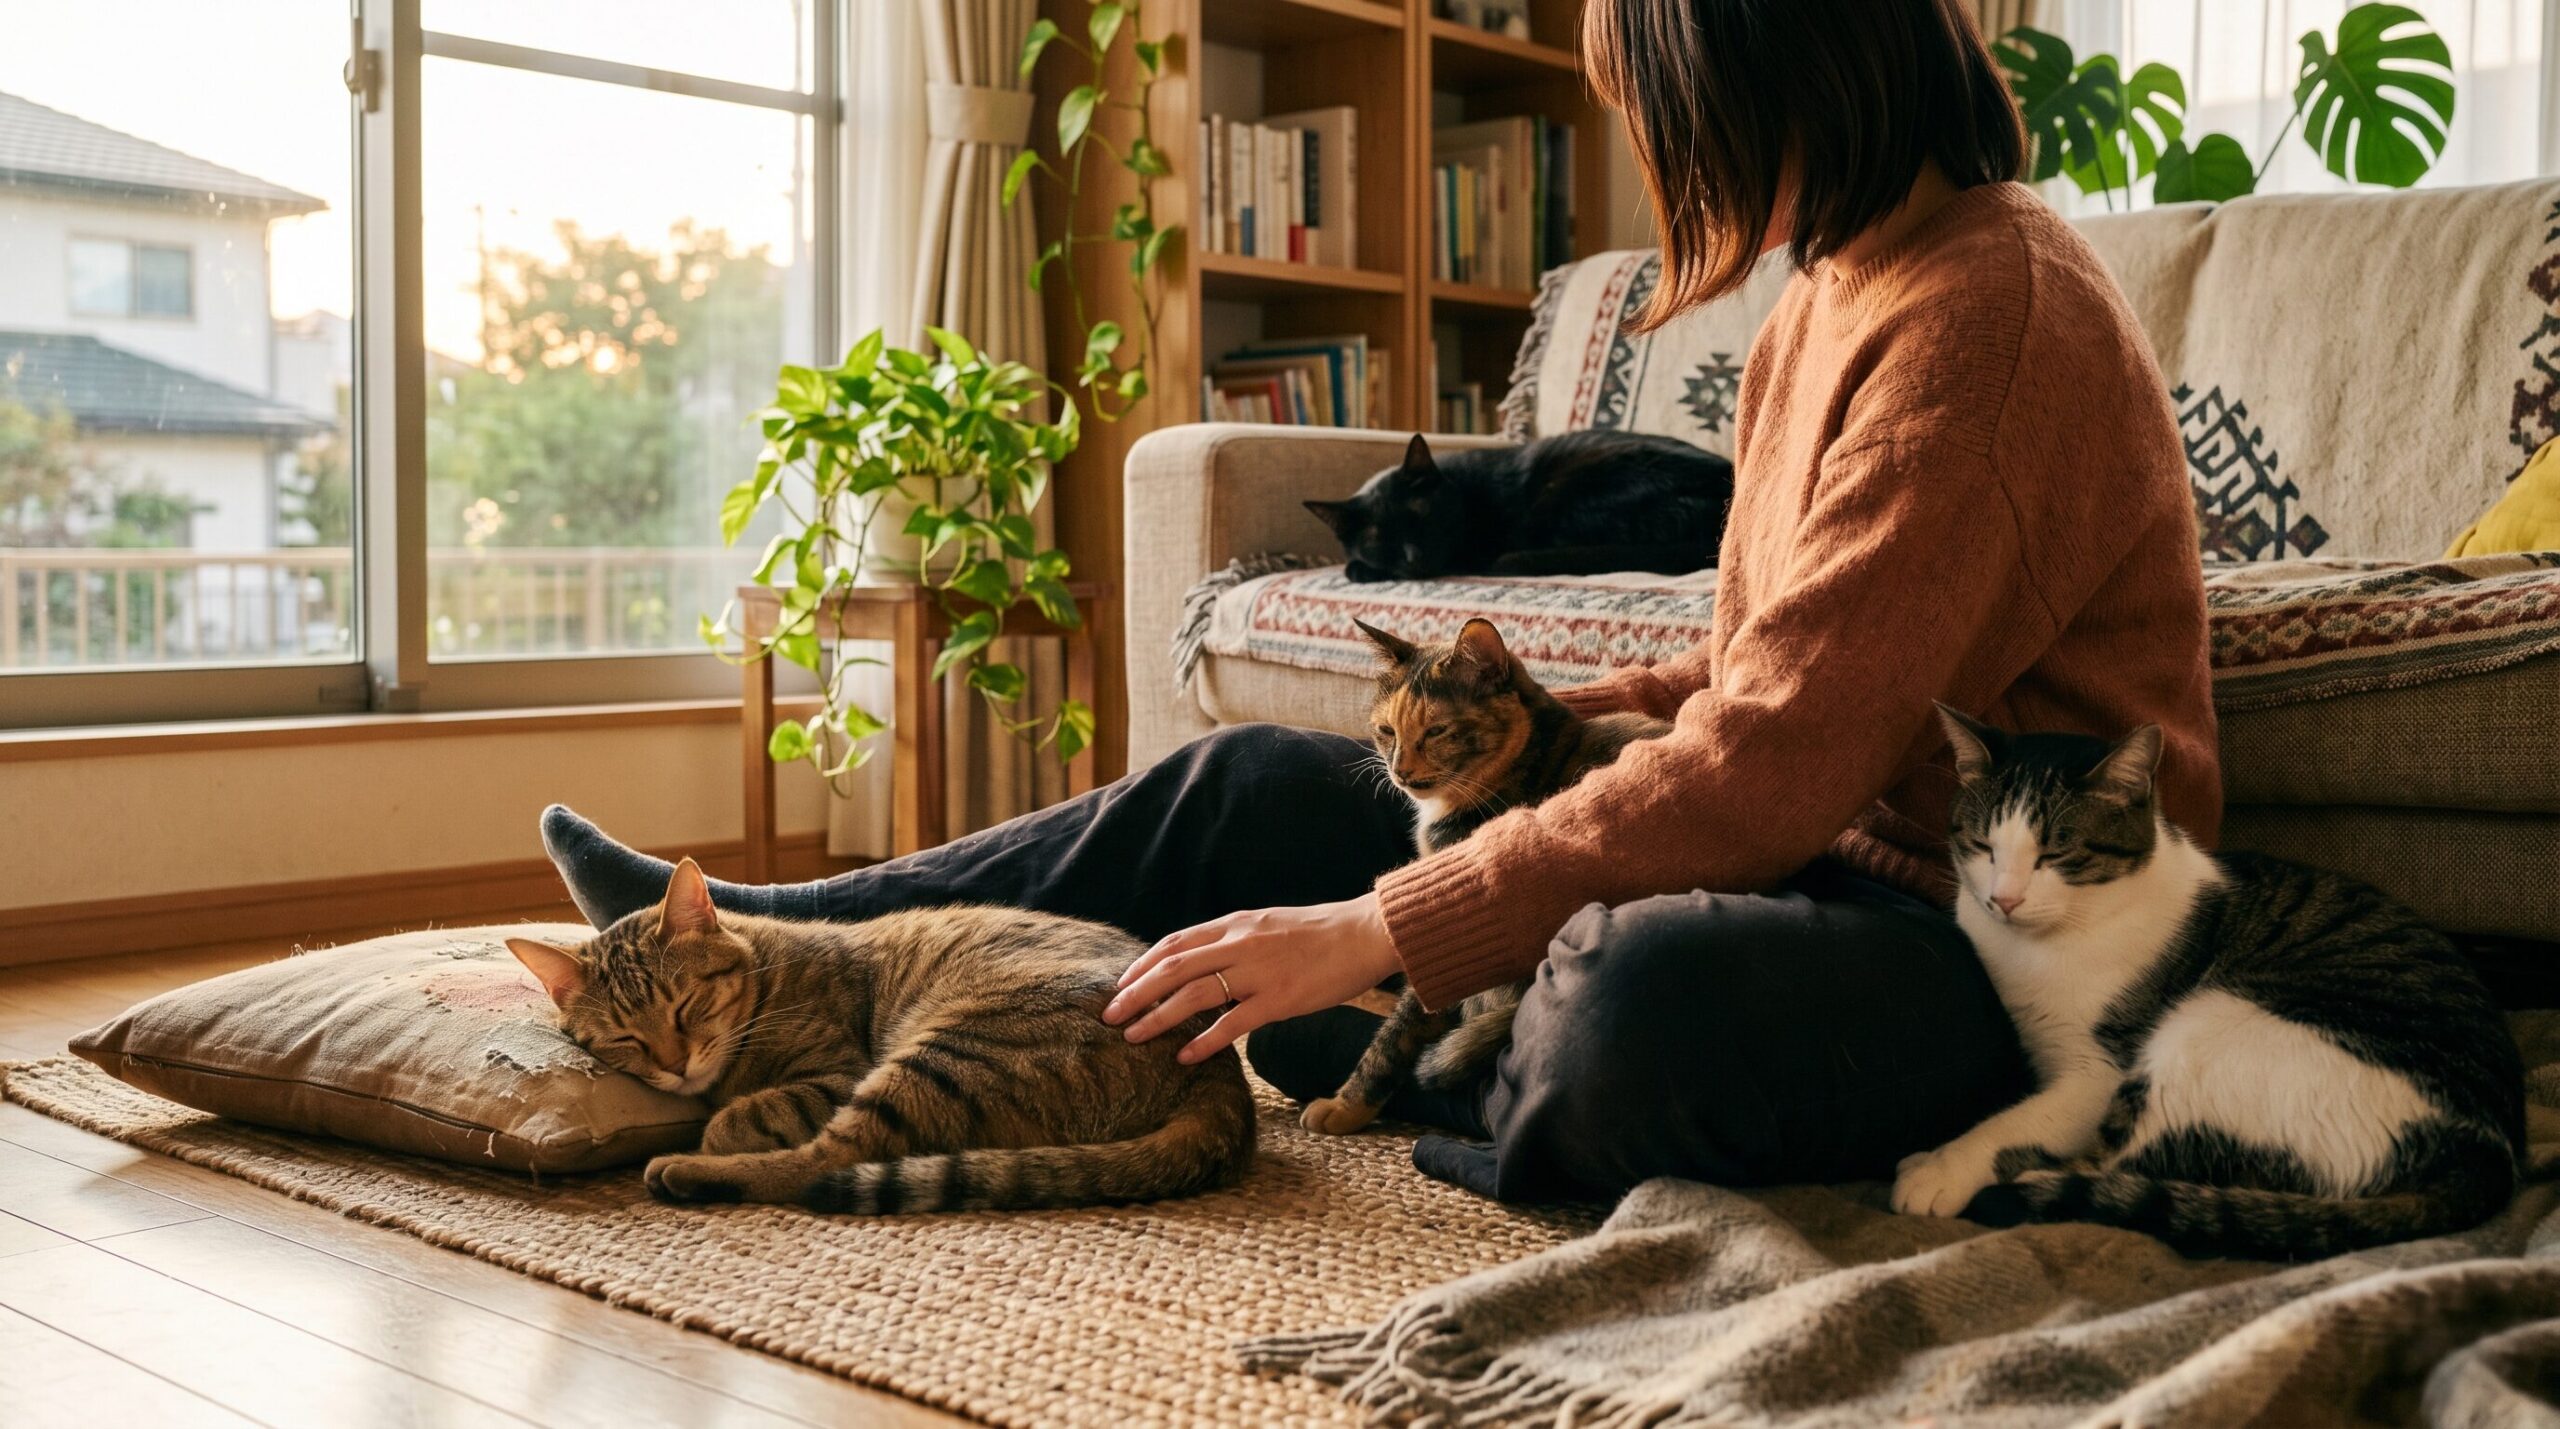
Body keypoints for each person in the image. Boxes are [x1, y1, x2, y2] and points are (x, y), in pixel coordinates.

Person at [543, 0, 2220, 1204]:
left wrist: (1379, 928)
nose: (1672, 181)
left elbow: (1776, 760)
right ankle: (772, 941)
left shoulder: (1992, 320)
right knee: (1252, 785)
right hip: (1803, 851)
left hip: (1988, 939)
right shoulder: (1834, 295)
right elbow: (1755, 672)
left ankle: (1432, 1046)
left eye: (1677, 129)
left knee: (1631, 1002)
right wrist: (1565, 740)